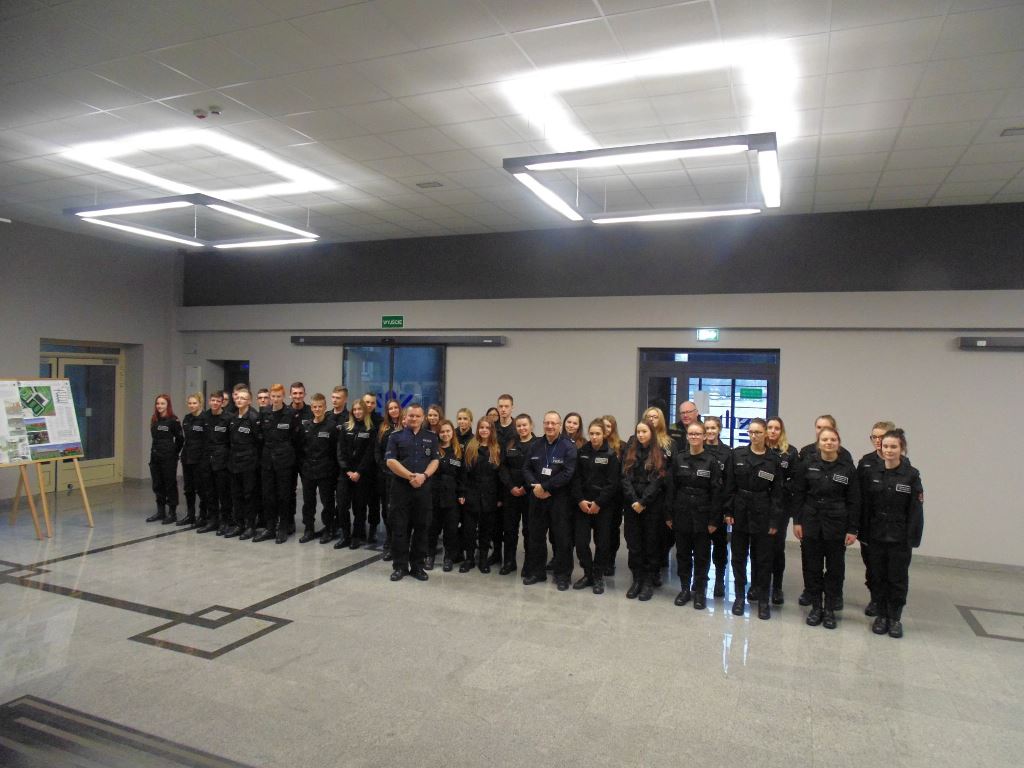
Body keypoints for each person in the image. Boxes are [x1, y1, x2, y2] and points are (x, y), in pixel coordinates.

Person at [792, 426, 860, 629]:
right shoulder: (807, 465)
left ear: (839, 443)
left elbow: (854, 501)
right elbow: (799, 494)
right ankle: (816, 607)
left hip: (836, 524)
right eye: (824, 440)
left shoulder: (848, 469)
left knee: (835, 569)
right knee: (812, 567)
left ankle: (829, 608)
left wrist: (852, 529)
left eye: (833, 440)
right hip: (811, 522)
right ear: (818, 443)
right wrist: (797, 521)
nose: (829, 443)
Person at [863, 429, 924, 639]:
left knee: (897, 579)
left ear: (902, 448)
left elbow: (916, 509)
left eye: (893, 446)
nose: (889, 450)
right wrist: (863, 533)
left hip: (900, 536)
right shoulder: (873, 473)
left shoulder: (911, 475)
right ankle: (881, 615)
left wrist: (912, 537)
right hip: (876, 534)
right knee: (877, 576)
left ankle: (895, 618)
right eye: (885, 446)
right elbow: (866, 506)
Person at [724, 418, 783, 619]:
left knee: (764, 559)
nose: (754, 436)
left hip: (763, 511)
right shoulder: (737, 455)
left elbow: (777, 493)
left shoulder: (773, 460)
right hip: (740, 510)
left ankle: (763, 601)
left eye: (758, 432)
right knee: (738, 557)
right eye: (751, 432)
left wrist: (774, 520)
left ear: (765, 434)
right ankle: (740, 597)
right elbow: (729, 485)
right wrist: (728, 511)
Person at [668, 421, 722, 609]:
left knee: (702, 556)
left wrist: (714, 520)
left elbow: (716, 493)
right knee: (682, 554)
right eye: (691, 434)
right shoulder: (678, 459)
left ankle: (699, 591)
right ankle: (684, 589)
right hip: (681, 513)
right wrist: (669, 515)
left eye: (698, 434)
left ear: (704, 436)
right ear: (687, 436)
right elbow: (671, 488)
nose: (694, 437)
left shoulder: (711, 461)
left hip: (703, 516)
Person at [522, 411, 578, 590]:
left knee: (562, 539)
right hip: (537, 497)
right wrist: (535, 485)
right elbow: (526, 468)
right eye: (547, 423)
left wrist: (546, 487)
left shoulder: (568, 446)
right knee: (536, 537)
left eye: (554, 423)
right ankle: (537, 572)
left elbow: (568, 473)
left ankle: (562, 576)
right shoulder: (536, 445)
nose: (550, 426)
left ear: (560, 425)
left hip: (559, 499)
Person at [384, 403, 439, 582]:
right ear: (405, 417)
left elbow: (435, 460)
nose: (414, 418)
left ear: (423, 418)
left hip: (423, 490)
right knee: (399, 529)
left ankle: (417, 567)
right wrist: (410, 476)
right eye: (411, 416)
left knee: (422, 529)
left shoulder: (431, 437)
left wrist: (424, 476)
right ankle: (400, 567)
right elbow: (390, 461)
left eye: (417, 416)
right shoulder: (395, 436)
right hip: (400, 490)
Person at [620, 421, 670, 601]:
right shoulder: (630, 451)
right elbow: (624, 478)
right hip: (632, 505)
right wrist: (634, 500)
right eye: (638, 432)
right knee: (633, 544)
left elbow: (658, 481)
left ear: (652, 433)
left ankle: (648, 581)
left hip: (651, 506)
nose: (641, 435)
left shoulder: (660, 453)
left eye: (644, 431)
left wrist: (643, 502)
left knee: (651, 543)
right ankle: (637, 580)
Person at [571, 419, 620, 594]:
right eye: (591, 433)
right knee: (580, 542)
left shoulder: (611, 455)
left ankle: (598, 576)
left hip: (603, 506)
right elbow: (575, 478)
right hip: (583, 505)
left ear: (604, 434)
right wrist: (580, 500)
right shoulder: (582, 452)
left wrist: (599, 502)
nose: (594, 437)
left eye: (597, 433)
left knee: (603, 543)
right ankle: (588, 574)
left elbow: (612, 483)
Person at [857, 421, 897, 618]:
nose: (878, 440)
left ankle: (890, 604)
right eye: (874, 437)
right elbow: (857, 495)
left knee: (892, 568)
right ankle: (875, 599)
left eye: (882, 437)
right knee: (872, 566)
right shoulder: (865, 462)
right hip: (869, 524)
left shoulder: (903, 464)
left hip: (893, 527)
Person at [256, 383, 303, 544]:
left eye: (278, 396)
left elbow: (296, 437)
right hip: (267, 459)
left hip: (284, 459)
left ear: (283, 397)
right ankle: (270, 528)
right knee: (268, 495)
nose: (275, 399)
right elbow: (261, 435)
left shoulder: (291, 414)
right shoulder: (264, 412)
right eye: (273, 396)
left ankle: (283, 527)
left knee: (284, 495)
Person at [460, 418, 502, 574]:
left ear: (492, 430)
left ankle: (483, 559)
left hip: (490, 495)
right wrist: (462, 492)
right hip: (471, 494)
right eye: (481, 427)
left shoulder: (496, 448)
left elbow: (500, 476)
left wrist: (500, 497)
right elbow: (464, 473)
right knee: (469, 530)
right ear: (477, 429)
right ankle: (469, 559)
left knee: (486, 530)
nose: (484, 430)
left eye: (487, 428)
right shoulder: (471, 446)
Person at [765, 417, 798, 605]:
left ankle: (777, 587)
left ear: (781, 431)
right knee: (759, 547)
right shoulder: (759, 449)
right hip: (760, 505)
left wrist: (779, 488)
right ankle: (758, 584)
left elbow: (795, 479)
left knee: (777, 548)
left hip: (781, 507)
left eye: (776, 428)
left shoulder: (790, 452)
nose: (772, 431)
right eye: (769, 427)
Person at [498, 413, 536, 576]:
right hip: (511, 493)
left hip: (530, 494)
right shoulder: (510, 443)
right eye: (519, 426)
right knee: (510, 529)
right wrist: (511, 486)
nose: (522, 428)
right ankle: (509, 562)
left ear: (531, 425)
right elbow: (502, 467)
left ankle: (529, 563)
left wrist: (525, 487)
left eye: (524, 425)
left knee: (529, 530)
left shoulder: (538, 444)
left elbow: (537, 469)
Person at [298, 394, 338, 543]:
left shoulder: (332, 426)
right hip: (308, 470)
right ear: (311, 408)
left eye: (320, 406)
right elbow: (300, 448)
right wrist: (303, 466)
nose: (317, 409)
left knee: (327, 502)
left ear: (325, 407)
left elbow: (335, 450)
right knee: (308, 502)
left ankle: (328, 529)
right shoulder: (306, 426)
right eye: (314, 406)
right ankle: (309, 529)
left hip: (325, 470)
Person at [337, 399, 375, 550]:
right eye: (355, 409)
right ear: (352, 411)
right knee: (342, 506)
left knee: (359, 507)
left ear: (365, 411)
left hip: (362, 475)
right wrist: (347, 470)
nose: (358, 412)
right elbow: (340, 451)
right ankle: (345, 535)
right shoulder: (345, 427)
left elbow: (369, 453)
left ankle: (356, 536)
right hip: (345, 474)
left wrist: (359, 472)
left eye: (360, 409)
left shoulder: (370, 429)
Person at [427, 420, 465, 571]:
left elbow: (462, 476)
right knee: (432, 528)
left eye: (448, 431)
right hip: (433, 495)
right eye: (442, 431)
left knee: (451, 529)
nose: (445, 434)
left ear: (452, 432)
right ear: (438, 434)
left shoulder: (458, 451)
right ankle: (429, 555)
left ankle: (448, 557)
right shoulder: (432, 449)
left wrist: (461, 493)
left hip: (452, 497)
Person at [225, 388, 261, 539]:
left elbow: (259, 441)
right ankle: (239, 524)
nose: (239, 400)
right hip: (234, 463)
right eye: (238, 398)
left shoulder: (253, 418)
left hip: (249, 463)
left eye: (243, 398)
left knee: (249, 495)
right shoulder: (233, 417)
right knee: (236, 494)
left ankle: (250, 526)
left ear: (249, 401)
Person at [703, 415, 732, 598]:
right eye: (707, 428)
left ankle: (720, 579)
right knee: (701, 546)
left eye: (713, 428)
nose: (710, 431)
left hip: (719, 505)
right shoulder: (697, 449)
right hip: (701, 505)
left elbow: (729, 484)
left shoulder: (727, 453)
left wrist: (727, 509)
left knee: (720, 546)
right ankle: (701, 577)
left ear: (719, 429)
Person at [198, 391, 232, 535]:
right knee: (209, 492)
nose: (215, 403)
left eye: (218, 401)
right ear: (209, 401)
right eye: (213, 400)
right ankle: (213, 520)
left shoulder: (228, 418)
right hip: (207, 459)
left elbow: (231, 440)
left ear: (222, 402)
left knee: (223, 493)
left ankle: (225, 521)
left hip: (222, 460)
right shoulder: (204, 416)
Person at [147, 394, 183, 524]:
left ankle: (172, 513)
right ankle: (160, 512)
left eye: (162, 403)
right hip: (155, 456)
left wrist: (173, 453)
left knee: (170, 484)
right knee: (157, 484)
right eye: (158, 403)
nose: (159, 406)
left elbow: (180, 439)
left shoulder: (173, 420)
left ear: (168, 405)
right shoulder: (154, 419)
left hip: (168, 457)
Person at [376, 398, 404, 560]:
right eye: (390, 408)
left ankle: (399, 540)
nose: (393, 410)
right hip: (385, 475)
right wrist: (384, 467)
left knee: (398, 509)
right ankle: (389, 536)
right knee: (386, 509)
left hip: (400, 476)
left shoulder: (405, 427)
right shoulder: (383, 428)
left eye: (395, 407)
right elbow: (377, 451)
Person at [178, 393, 210, 528]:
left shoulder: (205, 418)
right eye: (190, 403)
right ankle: (190, 515)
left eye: (194, 403)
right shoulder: (187, 418)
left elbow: (207, 440)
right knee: (188, 488)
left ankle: (203, 516)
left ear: (200, 403)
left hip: (200, 459)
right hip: (187, 457)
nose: (192, 405)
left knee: (201, 489)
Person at [600, 415, 625, 576]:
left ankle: (610, 561)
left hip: (615, 496)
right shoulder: (595, 444)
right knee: (601, 531)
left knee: (612, 529)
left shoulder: (621, 446)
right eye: (603, 426)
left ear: (613, 428)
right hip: (599, 495)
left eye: (609, 426)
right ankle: (600, 560)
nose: (605, 429)